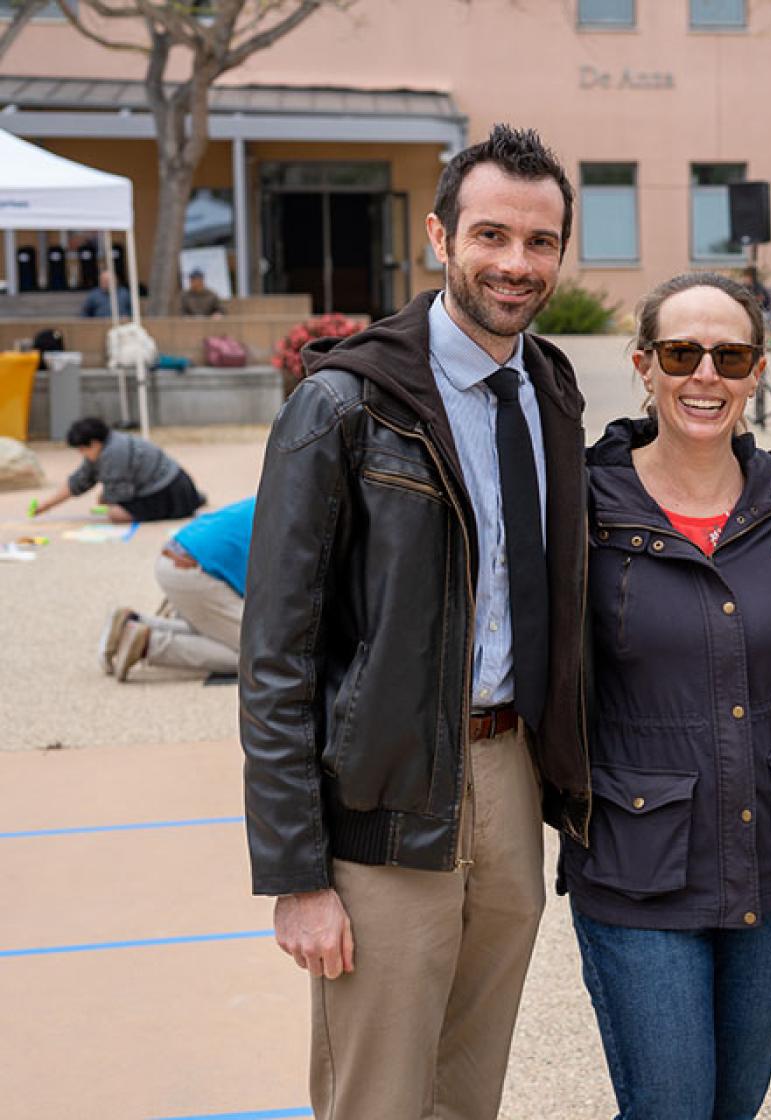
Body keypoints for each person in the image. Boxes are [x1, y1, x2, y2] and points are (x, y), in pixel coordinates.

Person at [239, 124, 589, 1120]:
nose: (515, 264)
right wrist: (297, 871)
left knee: (468, 1089)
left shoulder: (550, 389)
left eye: (539, 242)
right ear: (440, 235)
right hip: (387, 794)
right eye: (491, 235)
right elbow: (276, 655)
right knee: (379, 1098)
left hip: (509, 771)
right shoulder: (344, 400)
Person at [563, 272, 771, 1118]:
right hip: (639, 868)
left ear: (755, 371)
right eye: (681, 352)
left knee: (734, 1110)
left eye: (730, 355)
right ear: (644, 365)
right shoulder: (584, 505)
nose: (704, 374)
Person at [101, 496, 254, 681]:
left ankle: (136, 622)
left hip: (178, 557)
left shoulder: (274, 499)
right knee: (261, 655)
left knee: (220, 629)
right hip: (194, 574)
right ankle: (150, 644)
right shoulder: (291, 524)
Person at [30, 417, 204, 523]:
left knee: (116, 514)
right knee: (108, 501)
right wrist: (47, 505)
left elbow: (121, 494)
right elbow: (79, 480)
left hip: (167, 489)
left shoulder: (113, 454)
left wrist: (106, 497)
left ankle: (184, 504)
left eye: (83, 449)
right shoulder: (105, 446)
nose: (82, 454)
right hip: (176, 481)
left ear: (95, 443)